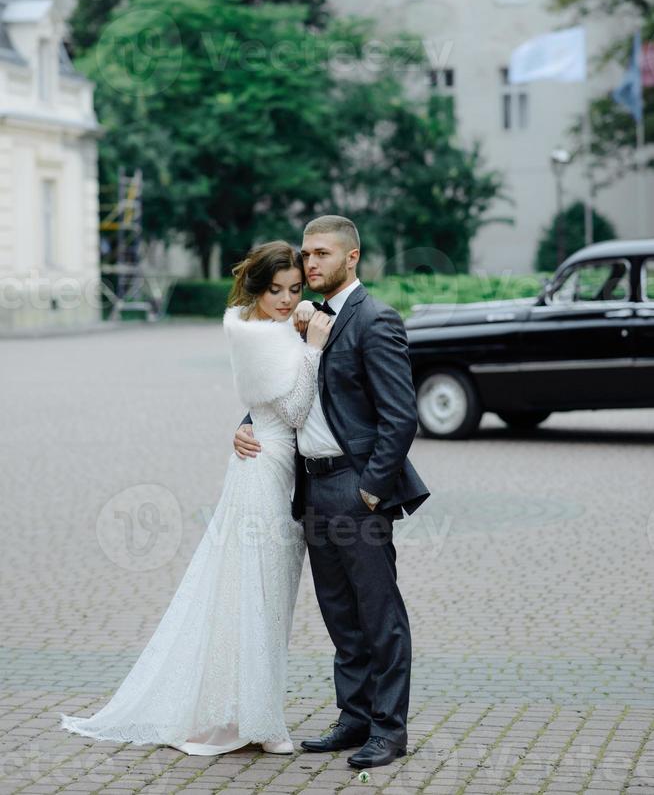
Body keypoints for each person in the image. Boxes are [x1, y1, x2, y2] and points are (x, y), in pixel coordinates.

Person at [58, 241, 333, 756]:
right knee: (255, 594)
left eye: (295, 289)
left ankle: (257, 713)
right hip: (263, 475)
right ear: (256, 287)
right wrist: (313, 348)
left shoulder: (271, 329)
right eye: (275, 289)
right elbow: (295, 410)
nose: (286, 298)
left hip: (268, 465)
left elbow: (265, 406)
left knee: (269, 595)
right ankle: (251, 720)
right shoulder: (258, 336)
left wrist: (296, 333)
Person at [234, 216, 430, 769]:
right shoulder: (306, 320)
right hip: (312, 485)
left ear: (352, 258)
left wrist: (370, 491)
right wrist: (246, 422)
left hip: (355, 487)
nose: (310, 263)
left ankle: (389, 731)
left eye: (321, 253)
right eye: (306, 253)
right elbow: (283, 389)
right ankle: (354, 718)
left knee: (379, 613)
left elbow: (400, 418)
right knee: (340, 614)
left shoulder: (376, 320)